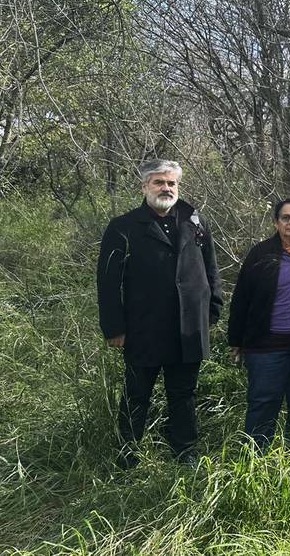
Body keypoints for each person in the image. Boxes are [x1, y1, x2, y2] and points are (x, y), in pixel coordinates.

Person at [96, 160, 223, 468]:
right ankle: (128, 454)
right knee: (136, 393)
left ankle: (185, 453)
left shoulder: (194, 221)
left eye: (172, 184)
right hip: (144, 328)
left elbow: (210, 269)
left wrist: (212, 309)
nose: (166, 188)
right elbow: (108, 283)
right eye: (159, 183)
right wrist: (114, 328)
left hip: (188, 327)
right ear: (144, 187)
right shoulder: (123, 227)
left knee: (183, 394)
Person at [227, 198, 290, 449]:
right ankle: (257, 460)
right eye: (286, 217)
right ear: (276, 222)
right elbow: (241, 298)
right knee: (263, 403)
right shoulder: (261, 253)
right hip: (265, 346)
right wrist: (236, 340)